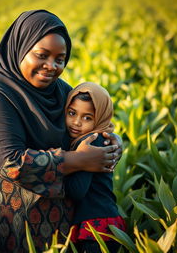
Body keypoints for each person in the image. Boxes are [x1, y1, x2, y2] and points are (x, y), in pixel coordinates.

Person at [0, 10, 122, 252]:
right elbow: (11, 164)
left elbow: (91, 121)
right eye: (41, 55)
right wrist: (80, 159)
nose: (51, 67)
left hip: (60, 233)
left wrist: (111, 141)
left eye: (60, 59)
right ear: (20, 48)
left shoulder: (61, 92)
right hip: (4, 228)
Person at [64, 82, 126, 253]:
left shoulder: (91, 142)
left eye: (87, 118)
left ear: (101, 118)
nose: (76, 122)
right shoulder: (94, 138)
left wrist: (57, 170)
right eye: (72, 113)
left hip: (96, 227)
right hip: (100, 221)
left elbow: (77, 190)